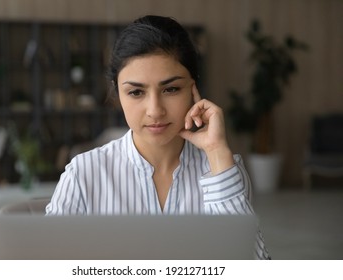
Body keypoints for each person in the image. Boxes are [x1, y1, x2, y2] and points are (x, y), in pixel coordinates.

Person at [46, 15, 270, 260]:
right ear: (118, 94)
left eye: (171, 89)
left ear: (193, 90)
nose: (155, 110)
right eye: (136, 92)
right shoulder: (83, 173)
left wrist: (217, 152)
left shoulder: (223, 169)